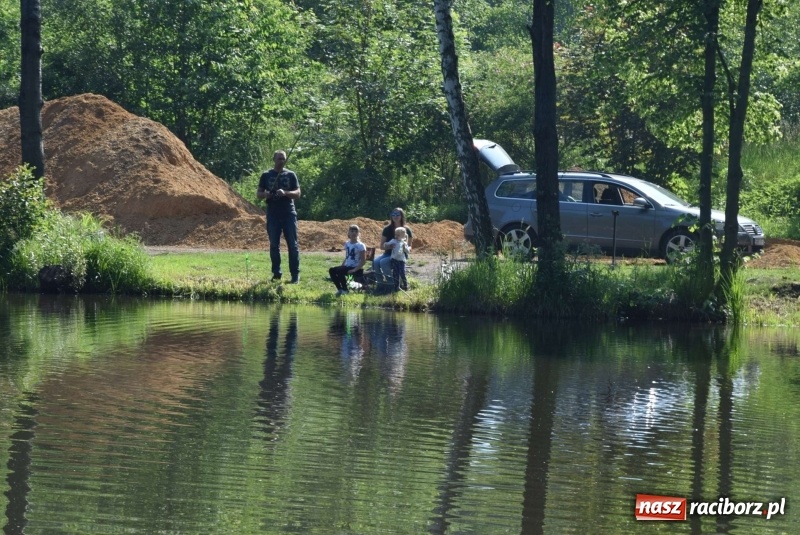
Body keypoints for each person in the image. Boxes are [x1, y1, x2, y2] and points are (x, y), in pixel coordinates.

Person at [257, 150, 301, 283]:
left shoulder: (291, 174)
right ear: (274, 160)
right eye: (279, 159)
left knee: (292, 245)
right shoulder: (266, 175)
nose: (282, 161)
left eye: (284, 159)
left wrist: (285, 192)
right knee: (274, 245)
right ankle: (277, 274)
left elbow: (298, 193)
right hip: (273, 214)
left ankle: (295, 275)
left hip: (288, 213)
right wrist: (266, 195)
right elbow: (258, 194)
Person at [374, 207, 413, 291]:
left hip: (400, 255)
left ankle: (391, 284)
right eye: (393, 214)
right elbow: (381, 246)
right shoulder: (387, 229)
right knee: (375, 262)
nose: (395, 216)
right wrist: (389, 246)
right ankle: (380, 284)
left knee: (383, 262)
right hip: (388, 253)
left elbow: (410, 246)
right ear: (391, 216)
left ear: (402, 216)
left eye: (397, 214)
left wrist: (406, 248)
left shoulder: (407, 230)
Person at [329, 224, 367, 296]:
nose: (354, 233)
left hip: (356, 268)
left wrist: (354, 270)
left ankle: (345, 290)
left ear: (358, 233)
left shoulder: (361, 245)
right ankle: (340, 289)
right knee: (332, 270)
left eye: (356, 231)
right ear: (349, 233)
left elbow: (363, 261)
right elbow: (347, 257)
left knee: (340, 271)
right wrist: (342, 265)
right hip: (347, 266)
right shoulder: (347, 243)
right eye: (352, 231)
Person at [384, 227, 411, 291]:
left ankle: (405, 286)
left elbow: (408, 251)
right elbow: (386, 244)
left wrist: (405, 248)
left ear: (403, 236)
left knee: (402, 273)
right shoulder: (393, 241)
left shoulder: (404, 243)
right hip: (394, 260)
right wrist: (388, 245)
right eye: (395, 234)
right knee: (395, 274)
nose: (396, 236)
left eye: (398, 235)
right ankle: (396, 287)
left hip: (401, 260)